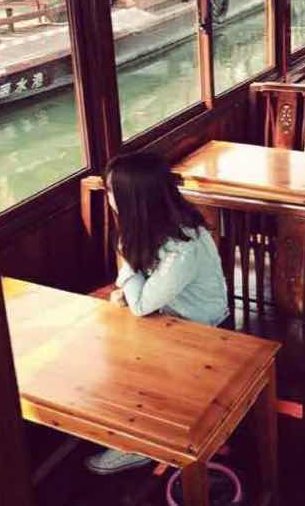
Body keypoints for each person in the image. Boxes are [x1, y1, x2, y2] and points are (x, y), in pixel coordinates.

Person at [85, 152, 229, 475]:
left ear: (135, 199)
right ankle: (135, 434)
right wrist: (131, 284)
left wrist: (126, 267)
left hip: (207, 334)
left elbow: (140, 305)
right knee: (108, 349)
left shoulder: (184, 246)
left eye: (112, 191)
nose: (108, 197)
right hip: (169, 319)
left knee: (131, 366)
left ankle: (140, 445)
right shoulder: (154, 227)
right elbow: (141, 290)